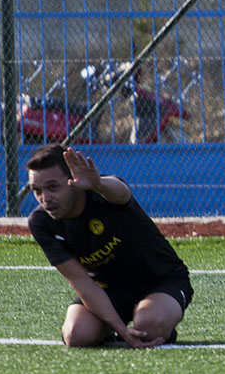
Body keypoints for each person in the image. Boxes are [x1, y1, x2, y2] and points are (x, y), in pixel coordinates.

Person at [27, 144, 193, 347]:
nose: (45, 199)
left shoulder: (102, 192)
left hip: (161, 279)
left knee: (148, 326)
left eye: (53, 187)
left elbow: (122, 192)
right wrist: (122, 330)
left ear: (73, 181)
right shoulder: (41, 222)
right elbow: (81, 282)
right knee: (75, 335)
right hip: (109, 290)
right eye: (37, 191)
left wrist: (97, 183)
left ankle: (160, 323)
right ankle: (108, 329)